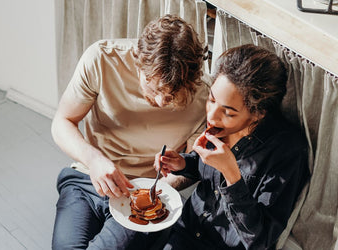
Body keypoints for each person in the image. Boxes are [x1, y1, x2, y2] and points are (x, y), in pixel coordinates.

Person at [51, 15, 209, 249]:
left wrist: (159, 189)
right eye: (152, 86)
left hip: (148, 192)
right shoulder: (102, 59)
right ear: (138, 62)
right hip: (87, 177)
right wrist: (94, 159)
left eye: (171, 95)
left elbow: (194, 166)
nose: (159, 101)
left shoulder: (204, 96)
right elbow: (62, 121)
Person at [155, 44, 310, 249]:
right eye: (211, 100)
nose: (211, 116)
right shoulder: (217, 127)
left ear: (259, 113)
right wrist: (183, 162)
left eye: (228, 112)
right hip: (183, 231)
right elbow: (206, 171)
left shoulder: (287, 151)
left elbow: (260, 238)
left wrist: (231, 174)